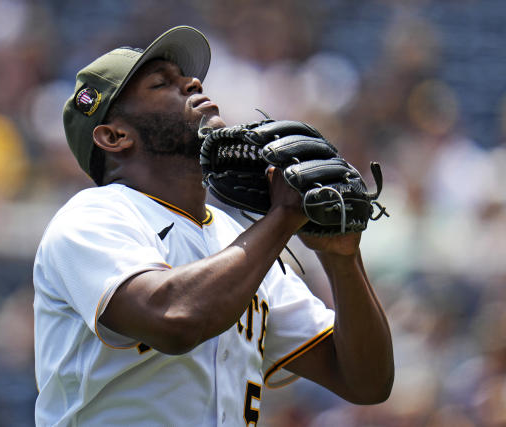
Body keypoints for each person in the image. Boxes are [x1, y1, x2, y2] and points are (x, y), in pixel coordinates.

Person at [33, 26, 394, 426]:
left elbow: (364, 381)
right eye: (162, 83)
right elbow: (175, 320)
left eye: (186, 77)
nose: (192, 82)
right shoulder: (93, 217)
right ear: (115, 135)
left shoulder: (235, 238)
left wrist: (342, 260)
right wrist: (283, 218)